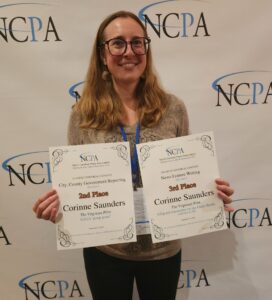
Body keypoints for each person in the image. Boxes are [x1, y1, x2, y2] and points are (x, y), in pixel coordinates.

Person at [33, 10, 234, 300]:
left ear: (146, 50)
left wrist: (208, 193)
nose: (129, 51)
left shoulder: (173, 108)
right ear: (103, 54)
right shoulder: (82, 115)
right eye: (118, 43)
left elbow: (186, 172)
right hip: (105, 250)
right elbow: (77, 185)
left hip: (162, 250)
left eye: (137, 42)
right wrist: (61, 207)